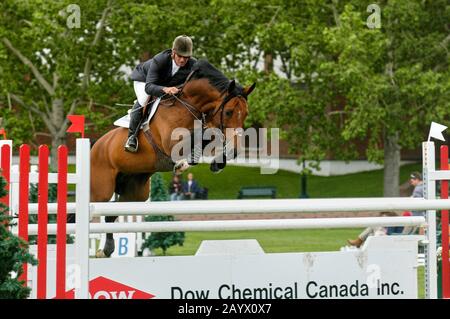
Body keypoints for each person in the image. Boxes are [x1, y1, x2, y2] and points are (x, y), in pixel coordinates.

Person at [125, 35, 197, 153]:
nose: (183, 60)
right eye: (180, 56)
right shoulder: (160, 60)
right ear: (173, 52)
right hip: (144, 81)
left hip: (166, 84)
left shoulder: (192, 64)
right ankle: (132, 137)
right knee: (144, 99)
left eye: (186, 57)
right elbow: (149, 87)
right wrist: (165, 89)